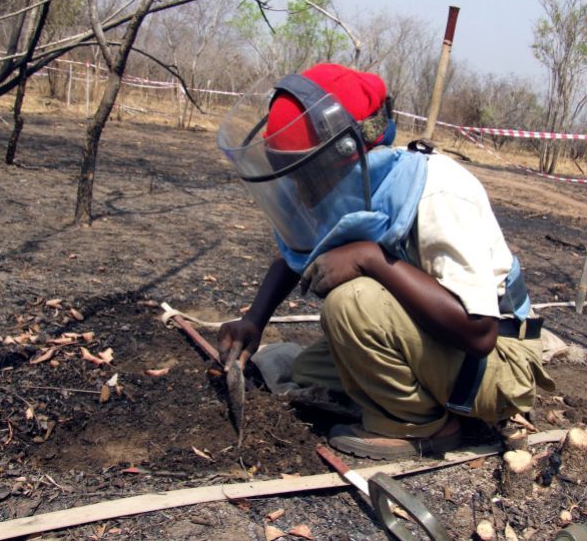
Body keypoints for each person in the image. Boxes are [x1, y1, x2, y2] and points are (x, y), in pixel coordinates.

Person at [216, 63, 555, 460]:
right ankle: (408, 396)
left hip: (498, 361)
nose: (299, 186)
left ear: (342, 152)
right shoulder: (349, 180)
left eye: (304, 172)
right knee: (306, 371)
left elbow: (480, 334)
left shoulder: (438, 191)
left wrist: (371, 258)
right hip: (443, 344)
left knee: (352, 302)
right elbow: (302, 248)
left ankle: (423, 427)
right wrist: (255, 318)